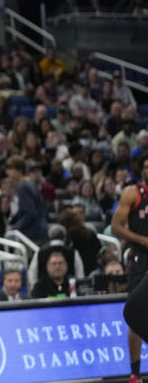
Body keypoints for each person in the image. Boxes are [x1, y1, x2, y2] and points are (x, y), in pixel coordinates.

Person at [113, 157, 148, 383]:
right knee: (135, 310)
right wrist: (142, 240)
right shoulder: (133, 193)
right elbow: (116, 226)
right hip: (141, 255)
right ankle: (134, 372)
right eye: (146, 167)